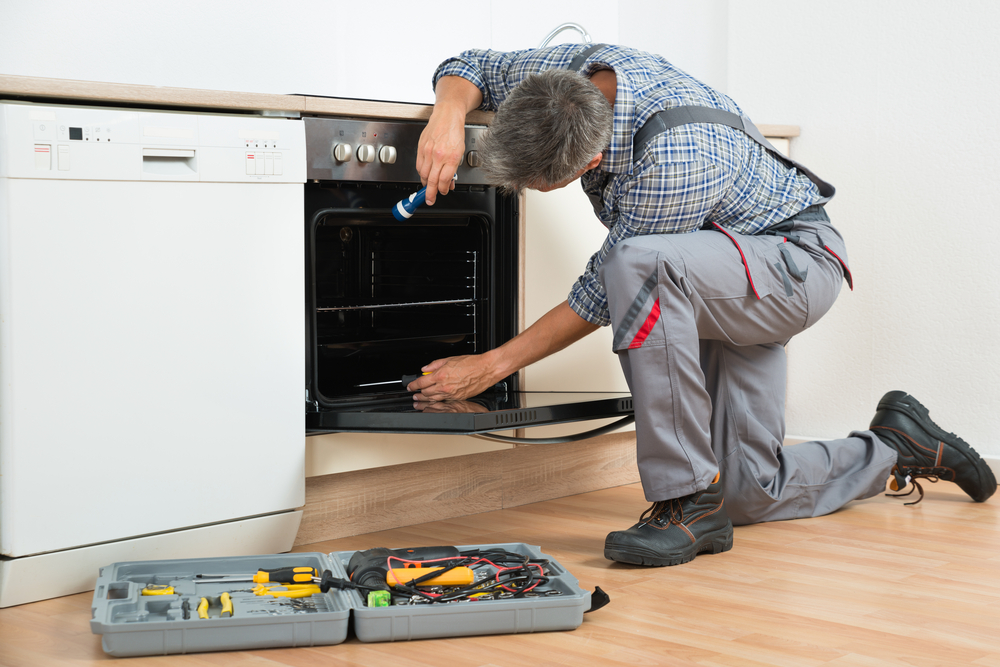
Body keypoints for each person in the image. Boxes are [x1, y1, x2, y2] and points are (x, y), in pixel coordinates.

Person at [408, 43, 997, 567]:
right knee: (747, 491)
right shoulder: (566, 75)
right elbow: (470, 65)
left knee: (635, 263)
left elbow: (607, 290)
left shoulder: (672, 162)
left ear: (589, 163)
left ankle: (684, 501)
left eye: (541, 186)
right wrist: (448, 117)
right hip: (719, 269)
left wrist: (492, 365)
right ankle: (898, 446)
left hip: (791, 267)